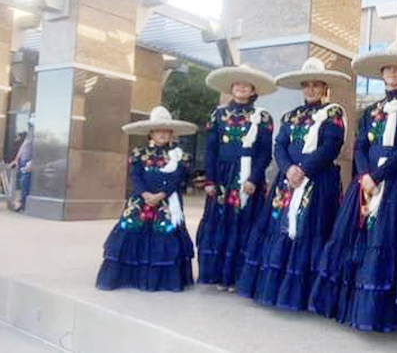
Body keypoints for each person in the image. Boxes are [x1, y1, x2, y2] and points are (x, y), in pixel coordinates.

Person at [309, 42, 397, 332]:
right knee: (358, 236)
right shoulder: (370, 110)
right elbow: (360, 146)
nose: (392, 73)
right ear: (382, 74)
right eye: (387, 68)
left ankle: (383, 313)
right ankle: (352, 305)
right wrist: (365, 174)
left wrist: (378, 176)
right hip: (366, 180)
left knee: (386, 239)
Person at [237, 58, 350, 310]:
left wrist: (304, 170)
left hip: (318, 182)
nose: (310, 89)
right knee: (281, 228)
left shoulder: (334, 113)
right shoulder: (290, 116)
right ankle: (277, 290)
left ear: (324, 88)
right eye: (306, 85)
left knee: (310, 229)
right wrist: (288, 169)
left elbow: (331, 146)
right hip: (287, 180)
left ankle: (306, 295)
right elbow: (280, 145)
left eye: (316, 85)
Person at [96, 106, 196, 291]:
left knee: (165, 234)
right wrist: (145, 194)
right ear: (151, 132)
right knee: (130, 231)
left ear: (172, 133)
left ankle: (164, 280)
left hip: (167, 202)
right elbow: (135, 176)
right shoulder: (138, 153)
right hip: (140, 201)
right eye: (158, 130)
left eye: (166, 130)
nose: (162, 134)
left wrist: (161, 194)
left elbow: (178, 178)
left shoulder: (180, 155)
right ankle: (127, 277)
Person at [196, 64, 276, 290]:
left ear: (253, 90)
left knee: (245, 224)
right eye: (237, 83)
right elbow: (210, 150)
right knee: (220, 222)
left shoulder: (263, 117)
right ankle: (217, 275)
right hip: (222, 176)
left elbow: (264, 153)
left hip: (248, 177)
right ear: (232, 87)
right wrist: (210, 180)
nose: (241, 87)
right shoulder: (217, 114)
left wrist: (254, 179)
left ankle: (238, 277)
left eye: (246, 84)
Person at [10, 117, 34, 212]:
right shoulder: (29, 136)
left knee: (25, 182)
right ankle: (22, 202)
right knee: (21, 182)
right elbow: (22, 148)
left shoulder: (36, 136)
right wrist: (16, 159)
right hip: (23, 161)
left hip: (28, 161)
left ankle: (24, 204)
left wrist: (32, 162)